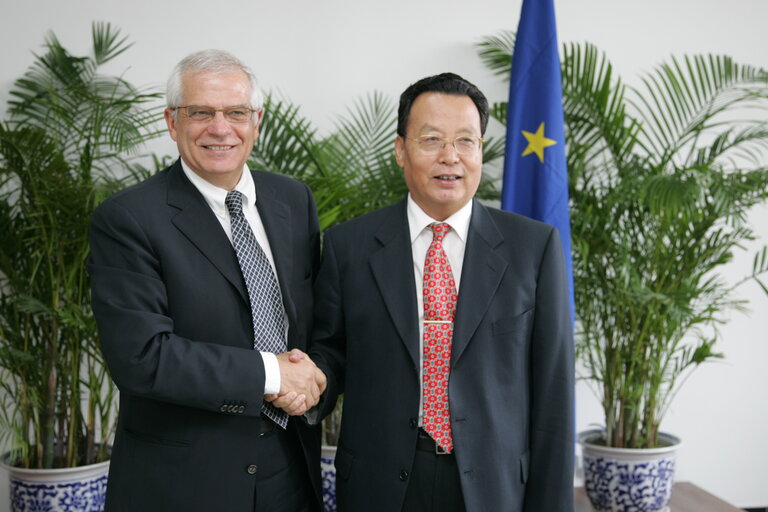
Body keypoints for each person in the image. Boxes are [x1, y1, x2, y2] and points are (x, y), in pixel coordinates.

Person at [303, 73, 574, 511]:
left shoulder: (533, 248)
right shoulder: (348, 246)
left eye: (466, 141)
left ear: (481, 151)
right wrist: (308, 378)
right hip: (380, 486)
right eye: (431, 139)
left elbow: (553, 391)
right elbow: (331, 353)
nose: (451, 157)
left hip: (492, 488)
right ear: (400, 150)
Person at [88, 49, 325, 512]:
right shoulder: (127, 219)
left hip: (289, 473)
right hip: (183, 483)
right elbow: (143, 357)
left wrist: (315, 383)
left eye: (236, 112)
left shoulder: (293, 200)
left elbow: (317, 324)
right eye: (201, 112)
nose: (220, 128)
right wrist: (274, 373)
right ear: (172, 122)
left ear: (257, 121)